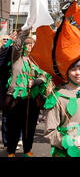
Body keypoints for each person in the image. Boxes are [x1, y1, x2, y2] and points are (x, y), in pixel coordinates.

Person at [4, 28, 48, 157]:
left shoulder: (37, 61)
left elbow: (44, 77)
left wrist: (36, 82)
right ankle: (11, 151)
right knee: (13, 126)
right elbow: (16, 46)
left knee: (29, 126)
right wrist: (25, 33)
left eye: (32, 44)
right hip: (15, 97)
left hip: (31, 99)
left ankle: (27, 149)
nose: (30, 46)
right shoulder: (16, 57)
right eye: (28, 44)